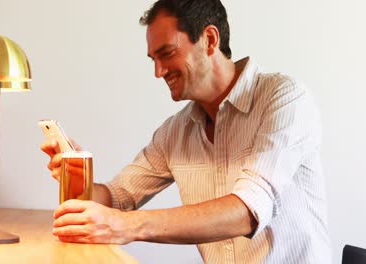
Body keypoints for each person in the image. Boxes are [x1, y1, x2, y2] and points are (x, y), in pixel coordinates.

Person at [41, 0, 331, 263]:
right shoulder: (175, 132)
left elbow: (247, 212)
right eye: (153, 59)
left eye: (166, 54)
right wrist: (76, 173)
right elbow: (118, 197)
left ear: (209, 39)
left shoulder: (284, 99)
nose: (158, 71)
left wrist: (127, 225)